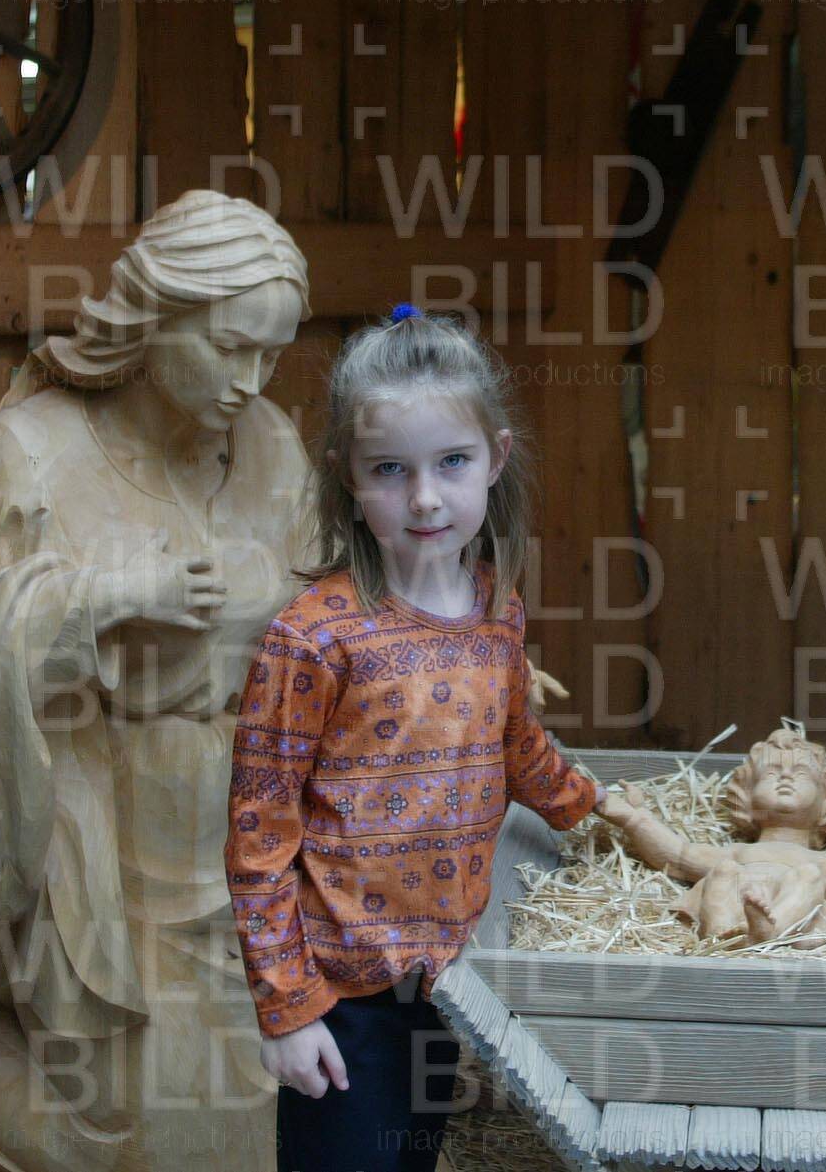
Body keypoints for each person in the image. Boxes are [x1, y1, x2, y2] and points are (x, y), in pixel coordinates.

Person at [0, 190, 315, 1172]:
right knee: (132, 1138)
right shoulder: (27, 454)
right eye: (228, 347)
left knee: (241, 1133)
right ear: (154, 314)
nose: (249, 381)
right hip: (89, 861)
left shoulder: (271, 447)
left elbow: (333, 614)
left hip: (250, 854)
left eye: (270, 355)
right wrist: (95, 599)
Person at [224, 306, 602, 1172]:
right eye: (390, 469)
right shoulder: (315, 635)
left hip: (449, 984)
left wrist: (599, 812)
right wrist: (287, 1007)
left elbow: (517, 744)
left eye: (451, 462)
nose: (425, 497)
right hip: (344, 996)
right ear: (347, 476)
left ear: (496, 458)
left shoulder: (496, 605)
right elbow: (258, 833)